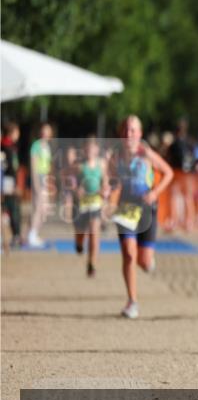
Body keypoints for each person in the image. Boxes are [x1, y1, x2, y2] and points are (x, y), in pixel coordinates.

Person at [110, 116, 174, 318]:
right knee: (129, 255)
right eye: (126, 130)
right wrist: (107, 189)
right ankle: (132, 301)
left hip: (147, 209)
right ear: (121, 134)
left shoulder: (146, 154)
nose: (129, 134)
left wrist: (155, 193)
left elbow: (169, 173)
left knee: (143, 261)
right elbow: (111, 180)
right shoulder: (116, 156)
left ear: (140, 134)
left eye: (133, 130)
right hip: (126, 209)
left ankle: (147, 261)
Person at [73, 137, 110, 277]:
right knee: (81, 233)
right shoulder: (79, 166)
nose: (89, 151)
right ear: (84, 150)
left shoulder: (101, 164)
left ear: (97, 150)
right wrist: (77, 189)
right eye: (87, 148)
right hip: (82, 204)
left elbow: (105, 182)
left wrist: (104, 191)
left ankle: (92, 264)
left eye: (92, 148)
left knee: (94, 233)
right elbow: (71, 182)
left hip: (96, 203)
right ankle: (79, 243)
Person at [27, 123, 54, 247]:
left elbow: (48, 166)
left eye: (47, 132)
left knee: (44, 209)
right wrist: (37, 184)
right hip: (38, 177)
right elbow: (33, 166)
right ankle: (31, 235)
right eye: (43, 132)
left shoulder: (47, 147)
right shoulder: (36, 146)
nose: (45, 134)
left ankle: (32, 232)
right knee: (38, 207)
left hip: (45, 178)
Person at [2, 123, 23, 249]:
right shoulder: (7, 147)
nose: (18, 135)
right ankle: (15, 236)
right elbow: (10, 168)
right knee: (12, 208)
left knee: (9, 208)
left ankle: (15, 235)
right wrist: (15, 185)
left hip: (8, 180)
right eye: (17, 132)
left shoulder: (10, 146)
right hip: (8, 181)